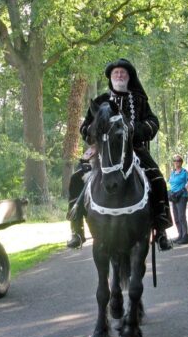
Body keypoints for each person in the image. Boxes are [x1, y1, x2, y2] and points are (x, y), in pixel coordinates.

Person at [66, 58, 173, 251]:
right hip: (103, 150)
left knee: (157, 178)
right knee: (76, 178)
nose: (120, 75)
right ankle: (77, 230)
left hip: (135, 149)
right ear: (111, 77)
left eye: (123, 72)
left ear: (129, 77)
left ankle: (160, 229)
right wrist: (96, 130)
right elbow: (84, 128)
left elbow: (153, 122)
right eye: (116, 73)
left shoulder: (140, 100)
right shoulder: (99, 101)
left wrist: (134, 128)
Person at [168, 155, 188, 245]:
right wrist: (170, 192)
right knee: (176, 217)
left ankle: (185, 236)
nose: (176, 162)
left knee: (181, 216)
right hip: (174, 197)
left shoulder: (185, 173)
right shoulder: (172, 173)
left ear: (181, 162)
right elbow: (171, 184)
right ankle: (180, 235)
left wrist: (185, 195)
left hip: (181, 196)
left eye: (178, 161)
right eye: (175, 161)